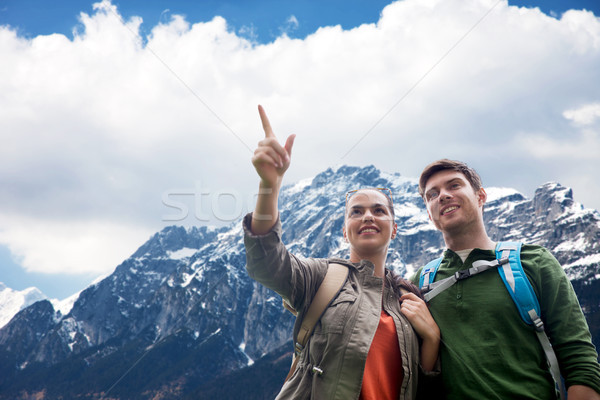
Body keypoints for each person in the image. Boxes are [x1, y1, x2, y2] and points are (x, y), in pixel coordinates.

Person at [243, 105, 440, 399]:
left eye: (379, 210)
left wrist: (432, 339)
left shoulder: (409, 298)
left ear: (395, 228)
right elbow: (267, 261)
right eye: (356, 212)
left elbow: (424, 387)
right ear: (345, 230)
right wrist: (269, 185)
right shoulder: (321, 277)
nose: (368, 217)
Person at [411, 158, 600, 400]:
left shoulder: (534, 262)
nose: (443, 196)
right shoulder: (419, 282)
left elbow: (580, 360)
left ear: (481, 197)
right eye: (432, 194)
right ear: (429, 214)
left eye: (454, 186)